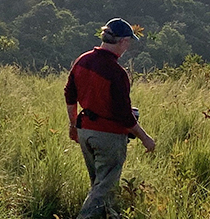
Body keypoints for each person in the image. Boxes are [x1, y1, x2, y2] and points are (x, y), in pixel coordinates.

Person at [64, 18, 156, 219]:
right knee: (104, 188)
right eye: (128, 42)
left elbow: (70, 96)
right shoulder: (116, 72)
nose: (128, 46)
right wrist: (145, 138)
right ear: (122, 41)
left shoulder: (83, 60)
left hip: (85, 131)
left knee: (99, 183)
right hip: (108, 136)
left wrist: (73, 126)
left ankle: (110, 215)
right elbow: (124, 116)